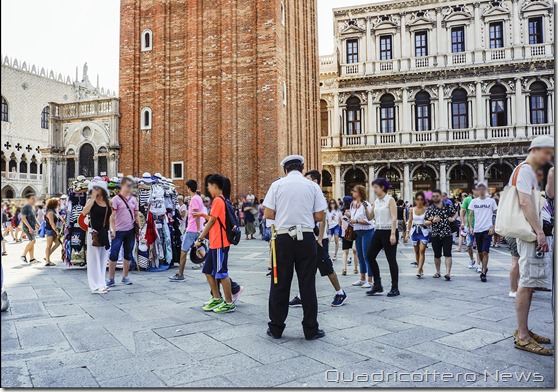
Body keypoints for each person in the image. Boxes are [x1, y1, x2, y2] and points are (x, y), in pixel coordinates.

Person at [263, 155, 326, 340]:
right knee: (307, 284)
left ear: (285, 170)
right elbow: (320, 216)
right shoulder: (312, 186)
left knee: (279, 284)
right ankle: (310, 329)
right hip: (306, 237)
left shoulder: (277, 185)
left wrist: (284, 214)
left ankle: (276, 328)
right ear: (302, 168)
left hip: (283, 239)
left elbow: (268, 212)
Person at [512, 135, 554, 356]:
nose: (549, 157)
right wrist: (539, 233)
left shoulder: (528, 171)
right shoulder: (526, 170)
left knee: (528, 282)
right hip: (529, 234)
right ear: (535, 149)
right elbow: (525, 202)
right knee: (526, 283)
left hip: (531, 233)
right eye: (547, 153)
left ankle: (524, 329)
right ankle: (522, 336)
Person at [288, 170, 347, 307]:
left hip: (319, 239)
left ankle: (340, 292)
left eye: (307, 178)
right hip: (310, 237)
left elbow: (323, 220)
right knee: (307, 269)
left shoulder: (317, 194)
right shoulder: (308, 193)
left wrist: (320, 239)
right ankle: (301, 296)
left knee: (326, 267)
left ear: (314, 181)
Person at [192, 174, 236, 313]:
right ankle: (217, 298)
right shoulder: (222, 200)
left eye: (209, 186)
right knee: (207, 271)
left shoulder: (218, 200)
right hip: (215, 243)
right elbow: (214, 218)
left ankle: (229, 303)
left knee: (221, 273)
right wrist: (202, 215)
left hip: (220, 243)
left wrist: (200, 238)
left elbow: (212, 221)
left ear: (215, 186)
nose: (208, 188)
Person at [365, 178, 399, 297]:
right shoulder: (376, 202)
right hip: (378, 231)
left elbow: (394, 218)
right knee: (370, 256)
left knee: (391, 260)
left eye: (376, 187)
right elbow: (370, 217)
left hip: (389, 230)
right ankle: (377, 284)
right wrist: (365, 207)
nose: (374, 189)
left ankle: (395, 287)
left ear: (382, 188)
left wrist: (393, 234)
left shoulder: (390, 200)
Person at [170, 180, 205, 282]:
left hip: (192, 230)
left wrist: (197, 230)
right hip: (196, 229)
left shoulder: (194, 199)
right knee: (201, 250)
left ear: (189, 188)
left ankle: (180, 275)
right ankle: (213, 268)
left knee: (183, 252)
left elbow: (196, 215)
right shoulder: (198, 198)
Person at [106, 177, 138, 287]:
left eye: (131, 186)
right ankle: (111, 278)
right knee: (114, 253)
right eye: (128, 186)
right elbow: (112, 217)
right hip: (118, 231)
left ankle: (125, 276)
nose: (130, 188)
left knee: (128, 254)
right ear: (122, 186)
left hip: (130, 231)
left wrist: (139, 229)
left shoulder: (134, 199)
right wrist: (113, 229)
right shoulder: (115, 199)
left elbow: (136, 215)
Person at [82, 179, 112, 294]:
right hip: (93, 232)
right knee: (93, 259)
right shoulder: (91, 201)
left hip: (105, 232)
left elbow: (111, 217)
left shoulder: (108, 202)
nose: (95, 190)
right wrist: (93, 198)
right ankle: (95, 286)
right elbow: (84, 212)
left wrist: (112, 229)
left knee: (103, 259)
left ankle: (102, 283)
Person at [425, 190, 458, 281]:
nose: (435, 197)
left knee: (448, 254)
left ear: (441, 197)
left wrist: (453, 219)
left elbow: (456, 213)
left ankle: (448, 273)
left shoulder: (448, 206)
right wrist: (432, 221)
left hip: (447, 233)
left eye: (437, 196)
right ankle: (438, 271)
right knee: (437, 255)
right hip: (435, 234)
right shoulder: (430, 208)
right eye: (434, 196)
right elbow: (425, 222)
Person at [468, 182, 498, 282]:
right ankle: (484, 266)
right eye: (479, 189)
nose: (481, 191)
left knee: (485, 251)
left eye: (483, 189)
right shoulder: (474, 202)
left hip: (487, 229)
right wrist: (471, 227)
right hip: (477, 229)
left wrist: (493, 227)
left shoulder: (491, 201)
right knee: (480, 251)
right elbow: (470, 215)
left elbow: (496, 214)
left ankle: (483, 272)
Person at [349, 185, 374, 288]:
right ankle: (362, 278)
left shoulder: (366, 205)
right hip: (357, 232)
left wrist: (356, 221)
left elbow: (369, 221)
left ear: (359, 193)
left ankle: (370, 280)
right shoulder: (352, 204)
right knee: (359, 256)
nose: (352, 193)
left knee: (367, 256)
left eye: (354, 191)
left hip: (367, 232)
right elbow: (353, 217)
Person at [406, 191, 430, 278]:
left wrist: (428, 222)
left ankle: (419, 269)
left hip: (423, 231)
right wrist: (407, 232)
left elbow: (430, 221)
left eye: (421, 199)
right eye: (418, 199)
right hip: (414, 231)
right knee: (416, 252)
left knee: (422, 250)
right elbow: (410, 221)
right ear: (415, 200)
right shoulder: (412, 210)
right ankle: (420, 267)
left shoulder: (427, 210)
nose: (419, 201)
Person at [339, 196, 358, 275]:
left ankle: (344, 268)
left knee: (345, 252)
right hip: (355, 233)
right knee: (355, 251)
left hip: (345, 234)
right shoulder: (354, 210)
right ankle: (355, 269)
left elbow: (339, 223)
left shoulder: (341, 211)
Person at [460, 187, 478, 269]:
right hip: (469, 225)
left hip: (480, 225)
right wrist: (462, 222)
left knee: (479, 246)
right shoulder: (467, 200)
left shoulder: (483, 200)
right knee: (469, 245)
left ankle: (479, 264)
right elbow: (462, 210)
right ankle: (472, 259)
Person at [20, 194, 39, 264]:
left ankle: (32, 259)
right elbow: (23, 218)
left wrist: (37, 224)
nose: (34, 200)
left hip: (32, 226)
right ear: (28, 199)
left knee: (32, 241)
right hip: (28, 227)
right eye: (32, 198)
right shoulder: (26, 207)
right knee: (33, 241)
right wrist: (29, 227)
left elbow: (33, 217)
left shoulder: (31, 207)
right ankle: (23, 255)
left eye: (34, 198)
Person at [44, 198, 62, 266]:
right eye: (57, 203)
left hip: (52, 230)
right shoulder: (50, 212)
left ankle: (47, 256)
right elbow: (51, 223)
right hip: (50, 230)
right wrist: (56, 231)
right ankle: (47, 261)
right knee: (49, 245)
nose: (58, 204)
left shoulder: (53, 211)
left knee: (57, 243)